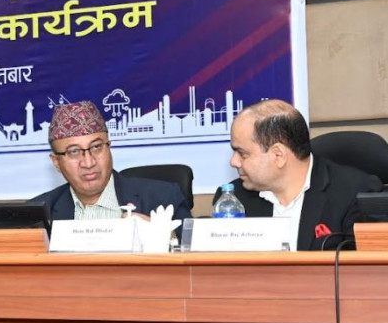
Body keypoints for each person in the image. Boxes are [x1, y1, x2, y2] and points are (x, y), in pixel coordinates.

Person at [214, 99, 382, 251]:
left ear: (278, 155)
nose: (233, 162)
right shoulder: (232, 200)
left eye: (242, 154)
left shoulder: (355, 194)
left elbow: (366, 269)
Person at [30, 100, 191, 222]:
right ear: (56, 162)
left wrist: (162, 238)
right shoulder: (37, 214)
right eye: (74, 152)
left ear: (109, 148)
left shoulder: (164, 198)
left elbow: (193, 251)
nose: (89, 163)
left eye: (96, 147)